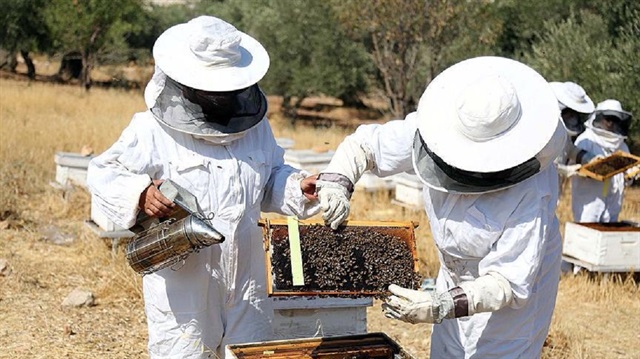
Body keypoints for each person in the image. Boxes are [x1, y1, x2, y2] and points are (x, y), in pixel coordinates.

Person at [87, 16, 320, 359]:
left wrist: (299, 187)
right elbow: (102, 171)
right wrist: (140, 192)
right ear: (187, 82)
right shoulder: (150, 129)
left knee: (251, 355)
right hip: (185, 286)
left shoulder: (255, 129)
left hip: (247, 284)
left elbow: (269, 179)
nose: (222, 96)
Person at [316, 56, 566, 358]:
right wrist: (336, 182)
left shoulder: (532, 190)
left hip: (507, 321)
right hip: (452, 284)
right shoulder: (439, 128)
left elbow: (507, 283)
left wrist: (441, 304)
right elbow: (366, 145)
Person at [571, 99, 634, 223]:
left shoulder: (622, 146)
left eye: (615, 120)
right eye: (608, 118)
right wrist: (595, 170)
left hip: (613, 204)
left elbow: (626, 178)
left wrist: (631, 175)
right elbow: (575, 170)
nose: (610, 123)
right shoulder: (586, 140)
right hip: (589, 203)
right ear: (598, 117)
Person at [549, 81, 598, 182]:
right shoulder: (541, 134)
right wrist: (565, 170)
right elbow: (539, 164)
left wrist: (591, 158)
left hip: (552, 191)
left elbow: (570, 150)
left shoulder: (561, 133)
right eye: (569, 114)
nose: (573, 119)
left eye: (574, 114)